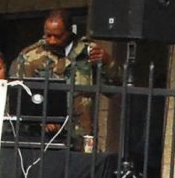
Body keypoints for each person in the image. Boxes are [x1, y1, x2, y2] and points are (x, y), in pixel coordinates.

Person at [8, 10, 114, 150]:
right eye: (48, 35)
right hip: (44, 140)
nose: (51, 40)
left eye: (57, 36)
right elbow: (17, 100)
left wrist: (108, 63)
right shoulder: (30, 57)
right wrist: (41, 121)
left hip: (81, 139)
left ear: (69, 31)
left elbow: (116, 88)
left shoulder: (88, 53)